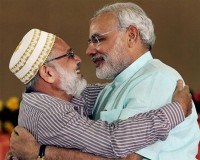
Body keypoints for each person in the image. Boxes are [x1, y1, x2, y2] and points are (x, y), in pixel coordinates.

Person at [9, 2, 200, 160]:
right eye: (69, 55)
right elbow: (113, 141)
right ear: (48, 74)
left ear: (131, 35)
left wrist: (39, 153)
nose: (86, 52)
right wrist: (177, 110)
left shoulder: (156, 80)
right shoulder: (50, 110)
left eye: (98, 39)